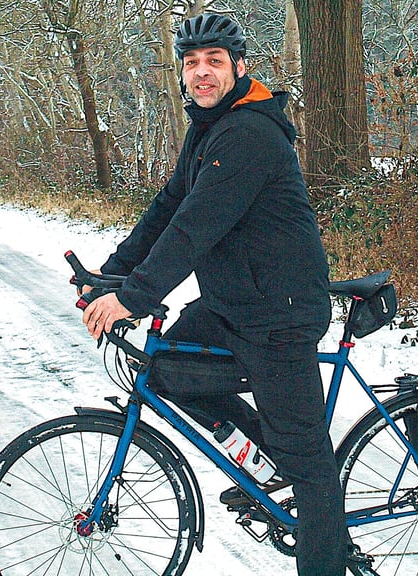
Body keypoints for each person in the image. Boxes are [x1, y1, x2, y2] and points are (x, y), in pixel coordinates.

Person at [80, 13, 347, 576]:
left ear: (240, 68)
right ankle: (266, 460)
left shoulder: (249, 132)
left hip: (280, 312)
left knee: (309, 462)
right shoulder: (209, 126)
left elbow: (196, 226)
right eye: (192, 62)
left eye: (214, 61)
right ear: (182, 72)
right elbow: (170, 206)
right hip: (233, 304)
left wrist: (135, 296)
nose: (202, 73)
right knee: (165, 370)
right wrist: (113, 274)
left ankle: (321, 550)